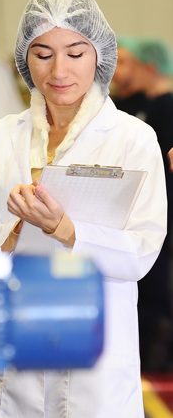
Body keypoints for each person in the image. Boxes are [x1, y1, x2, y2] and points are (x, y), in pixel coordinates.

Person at [0, 0, 167, 418]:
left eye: (75, 53)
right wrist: (18, 228)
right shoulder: (3, 136)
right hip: (11, 367)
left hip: (97, 368)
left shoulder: (133, 138)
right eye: (42, 53)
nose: (59, 70)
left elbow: (141, 253)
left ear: (99, 55)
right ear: (24, 58)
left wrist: (65, 229)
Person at [111, 36, 173, 371]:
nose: (117, 73)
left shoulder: (166, 109)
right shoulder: (126, 106)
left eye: (124, 63)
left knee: (156, 300)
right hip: (128, 221)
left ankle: (157, 366)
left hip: (161, 225)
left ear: (149, 67)